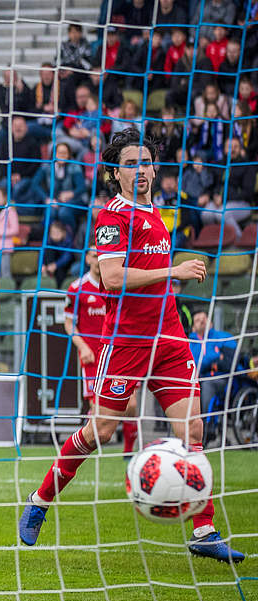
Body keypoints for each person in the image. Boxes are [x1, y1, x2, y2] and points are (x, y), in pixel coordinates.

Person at [18, 129, 242, 563]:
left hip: (171, 339)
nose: (139, 170)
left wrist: (170, 283)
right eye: (129, 163)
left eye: (145, 162)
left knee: (192, 430)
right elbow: (113, 278)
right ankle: (40, 500)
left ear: (155, 168)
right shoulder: (111, 217)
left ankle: (204, 529)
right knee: (99, 432)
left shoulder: (158, 215)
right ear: (113, 173)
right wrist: (172, 273)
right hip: (128, 342)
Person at [62, 250, 136, 454]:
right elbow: (69, 324)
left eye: (100, 255)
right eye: (94, 256)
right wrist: (82, 346)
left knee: (131, 405)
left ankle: (128, 451)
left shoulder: (118, 284)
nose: (97, 260)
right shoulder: (77, 289)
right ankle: (87, 448)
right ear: (87, 258)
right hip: (93, 356)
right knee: (98, 408)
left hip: (120, 354)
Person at [189, 311, 236, 435]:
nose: (202, 321)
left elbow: (229, 364)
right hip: (197, 379)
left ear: (211, 322)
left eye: (204, 318)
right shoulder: (189, 343)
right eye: (198, 320)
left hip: (221, 379)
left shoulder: (224, 337)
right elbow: (193, 365)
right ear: (193, 327)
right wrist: (214, 357)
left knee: (208, 384)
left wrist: (202, 364)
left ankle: (207, 426)